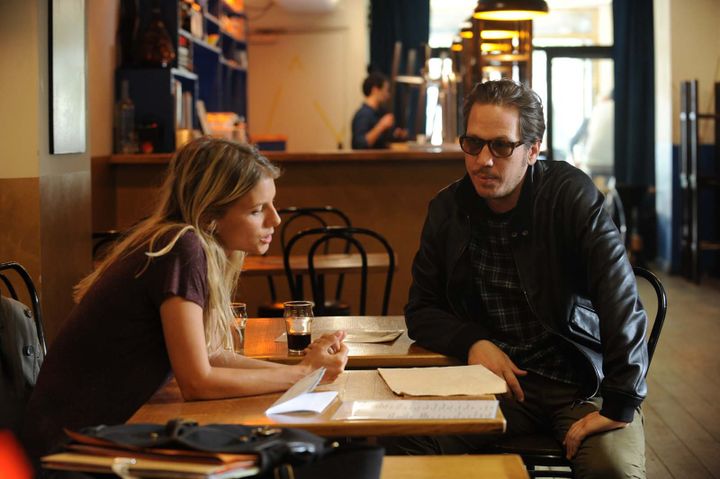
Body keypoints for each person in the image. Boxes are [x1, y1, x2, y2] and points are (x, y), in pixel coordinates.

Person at [21, 137, 349, 460]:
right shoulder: (181, 247)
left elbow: (213, 355)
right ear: (210, 216)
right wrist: (303, 373)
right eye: (257, 210)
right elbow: (197, 382)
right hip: (67, 451)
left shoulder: (182, 241)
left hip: (96, 438)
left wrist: (306, 371)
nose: (275, 219)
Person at [403, 79, 648, 478]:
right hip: (491, 386)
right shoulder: (447, 209)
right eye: (473, 143)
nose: (483, 160)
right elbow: (420, 309)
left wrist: (621, 403)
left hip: (579, 385)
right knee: (400, 440)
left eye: (501, 146)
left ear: (533, 150)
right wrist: (473, 342)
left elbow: (620, 298)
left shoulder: (569, 196)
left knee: (615, 470)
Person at [351, 72, 406, 149]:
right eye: (385, 90)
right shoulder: (363, 114)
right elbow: (360, 144)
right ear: (375, 90)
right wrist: (381, 126)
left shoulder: (380, 112)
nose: (388, 95)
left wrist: (396, 134)